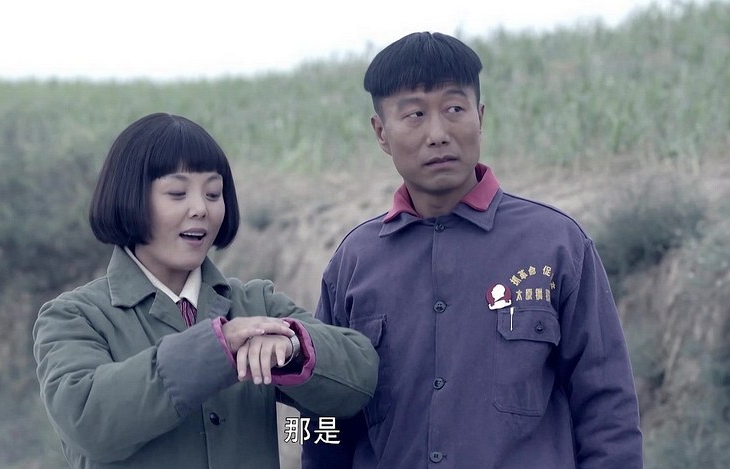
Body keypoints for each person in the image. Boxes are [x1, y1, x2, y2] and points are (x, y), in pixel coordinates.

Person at [301, 32, 643, 468]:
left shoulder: (557, 244)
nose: (438, 134)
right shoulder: (353, 263)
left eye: (454, 109)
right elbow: (324, 419)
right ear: (381, 132)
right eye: (415, 114)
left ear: (480, 117)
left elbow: (608, 408)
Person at [32, 112, 378, 468]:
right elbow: (88, 420)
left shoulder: (256, 303)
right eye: (177, 193)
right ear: (129, 198)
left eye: (213, 193)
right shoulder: (75, 317)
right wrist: (217, 347)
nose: (201, 209)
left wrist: (293, 348)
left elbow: (360, 375)